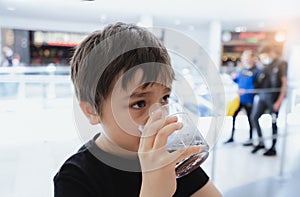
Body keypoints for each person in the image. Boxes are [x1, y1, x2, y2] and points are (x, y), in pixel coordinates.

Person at [53, 22, 222, 197]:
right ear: (92, 111)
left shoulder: (168, 155)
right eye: (139, 104)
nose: (159, 116)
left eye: (165, 98)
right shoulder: (75, 178)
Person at [250, 45, 287, 156]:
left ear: (271, 53)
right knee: (254, 117)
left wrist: (279, 101)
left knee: (273, 122)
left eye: (265, 56)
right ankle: (261, 142)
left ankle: (273, 147)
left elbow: (284, 83)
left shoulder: (281, 63)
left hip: (274, 98)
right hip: (263, 95)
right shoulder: (265, 65)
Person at [224, 50, 260, 146]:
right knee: (233, 117)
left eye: (248, 58)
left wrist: (247, 90)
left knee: (251, 119)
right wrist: (233, 78)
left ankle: (251, 139)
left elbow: (257, 86)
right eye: (244, 58)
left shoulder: (257, 71)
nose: (246, 60)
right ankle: (231, 137)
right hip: (240, 99)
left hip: (250, 100)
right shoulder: (242, 70)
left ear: (253, 59)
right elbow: (238, 81)